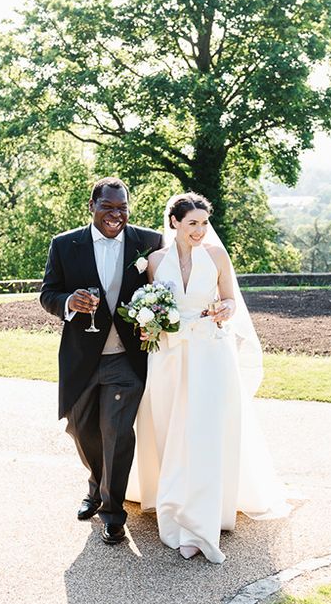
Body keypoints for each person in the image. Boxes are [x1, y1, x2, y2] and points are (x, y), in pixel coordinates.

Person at [127, 192, 290, 563]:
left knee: (203, 431)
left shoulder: (217, 256)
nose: (200, 230)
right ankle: (173, 501)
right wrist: (147, 323)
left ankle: (202, 519)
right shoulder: (154, 261)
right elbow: (152, 302)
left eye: (203, 222)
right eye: (192, 223)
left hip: (209, 354)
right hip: (167, 355)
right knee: (171, 430)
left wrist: (224, 309)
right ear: (174, 223)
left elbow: (231, 300)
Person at [40, 177, 163, 545]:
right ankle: (96, 485)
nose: (116, 215)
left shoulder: (149, 242)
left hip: (127, 359)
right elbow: (48, 293)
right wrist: (67, 303)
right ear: (91, 206)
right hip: (81, 358)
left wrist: (156, 320)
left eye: (122, 208)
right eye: (107, 207)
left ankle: (112, 513)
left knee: (117, 433)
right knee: (82, 430)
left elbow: (165, 290)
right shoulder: (64, 245)